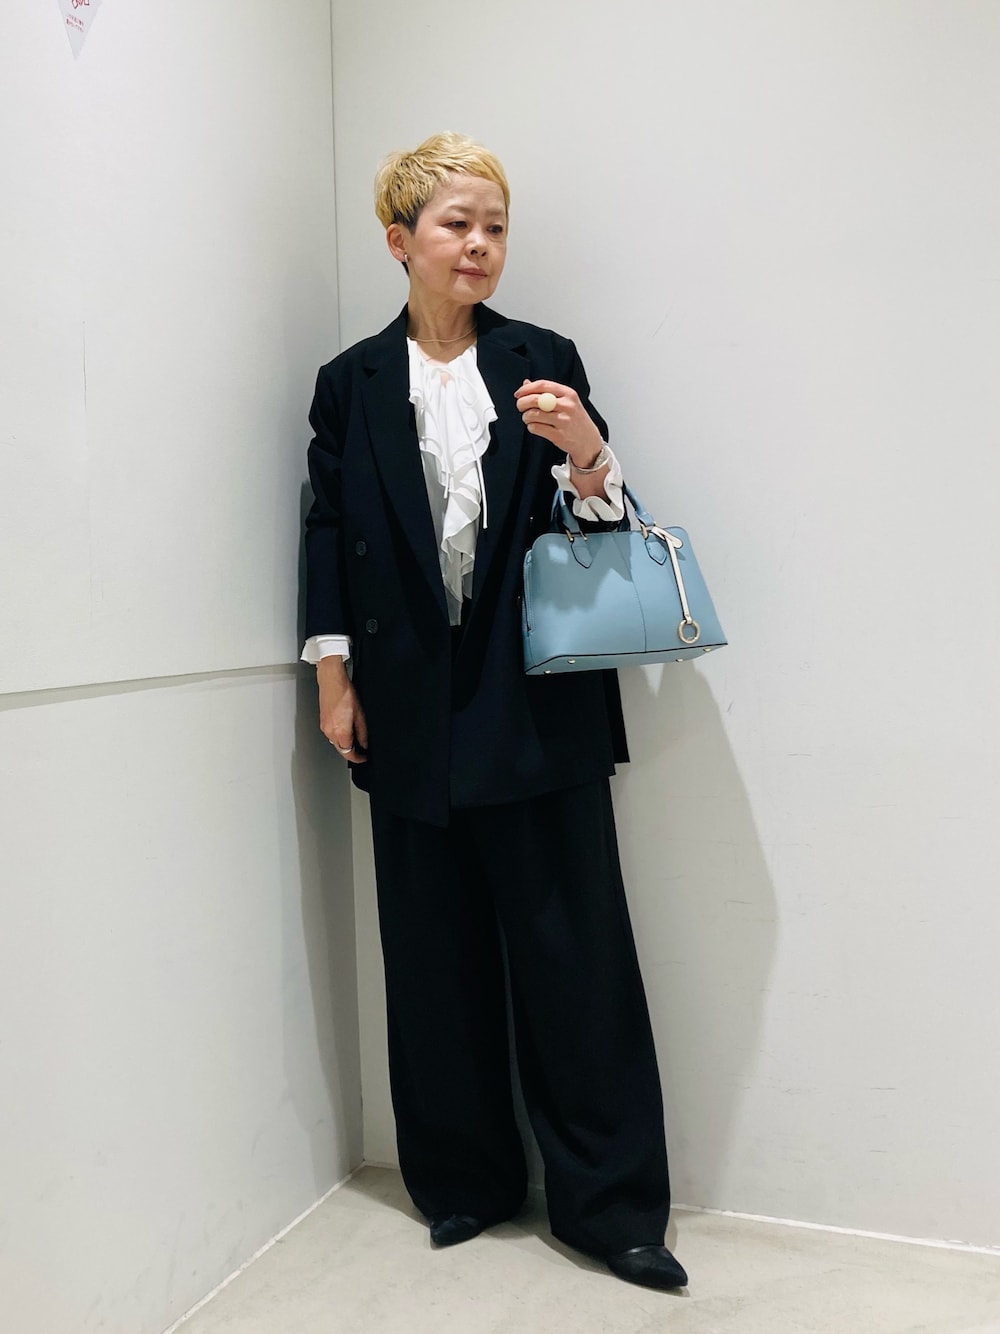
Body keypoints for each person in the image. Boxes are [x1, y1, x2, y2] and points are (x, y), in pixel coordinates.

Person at [302, 132, 687, 1293]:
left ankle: (612, 1207)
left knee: (576, 955)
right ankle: (462, 1180)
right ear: (399, 239)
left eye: (496, 227)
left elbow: (602, 529)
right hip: (407, 698)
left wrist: (587, 450)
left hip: (535, 693)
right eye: (456, 224)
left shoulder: (542, 359)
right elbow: (327, 529)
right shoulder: (350, 381)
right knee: (432, 952)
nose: (480, 244)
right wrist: (332, 675)